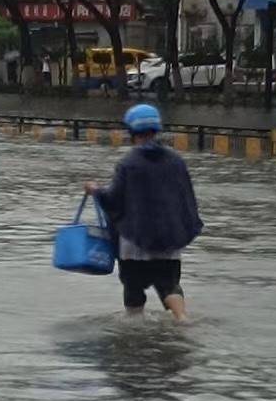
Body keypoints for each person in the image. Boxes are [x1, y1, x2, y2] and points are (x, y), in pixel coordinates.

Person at [86, 104, 203, 323]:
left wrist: (96, 191)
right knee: (169, 284)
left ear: (131, 131)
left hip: (135, 240)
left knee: (133, 286)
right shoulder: (176, 161)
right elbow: (186, 199)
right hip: (169, 238)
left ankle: (135, 330)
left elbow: (114, 199)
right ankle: (182, 317)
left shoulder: (128, 163)